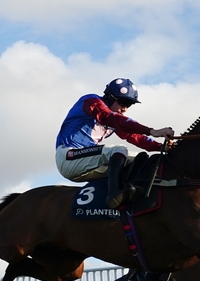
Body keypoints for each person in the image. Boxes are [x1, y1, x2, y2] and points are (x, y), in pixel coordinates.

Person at [55, 78, 175, 208]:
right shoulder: (91, 101)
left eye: (129, 105)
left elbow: (134, 137)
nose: (124, 109)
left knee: (138, 159)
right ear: (109, 97)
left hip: (85, 164)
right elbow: (108, 118)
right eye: (123, 103)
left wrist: (162, 147)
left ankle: (130, 195)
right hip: (68, 156)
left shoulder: (114, 120)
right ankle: (115, 195)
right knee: (119, 150)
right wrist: (151, 131)